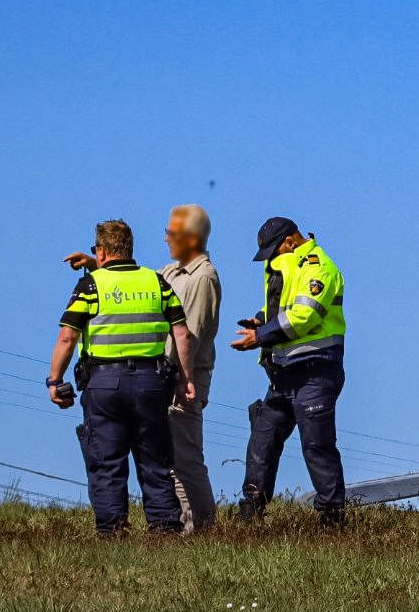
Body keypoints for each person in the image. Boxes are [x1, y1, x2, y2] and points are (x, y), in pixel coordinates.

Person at [66, 204, 221, 532]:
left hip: (181, 377)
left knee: (184, 460)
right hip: (161, 378)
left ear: (192, 238)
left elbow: (189, 336)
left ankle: (203, 529)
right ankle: (183, 529)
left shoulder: (202, 278)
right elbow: (135, 285)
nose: (166, 239)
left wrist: (176, 378)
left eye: (171, 233)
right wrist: (98, 264)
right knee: (167, 459)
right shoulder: (170, 273)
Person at [230, 216, 347, 525]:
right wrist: (261, 320)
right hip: (284, 373)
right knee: (263, 439)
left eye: (274, 251)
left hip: (315, 371)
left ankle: (332, 519)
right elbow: (282, 308)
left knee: (317, 446)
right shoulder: (292, 266)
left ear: (290, 241)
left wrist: (260, 336)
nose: (271, 259)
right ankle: (250, 514)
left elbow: (303, 316)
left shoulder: (318, 268)